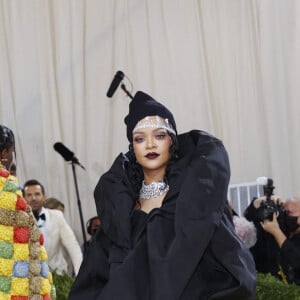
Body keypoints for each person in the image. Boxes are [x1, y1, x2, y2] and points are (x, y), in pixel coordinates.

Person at [69, 91, 256, 299]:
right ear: (133, 147)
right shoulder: (120, 210)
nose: (150, 144)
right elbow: (97, 275)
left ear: (172, 141)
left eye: (159, 135)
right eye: (140, 138)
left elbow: (228, 265)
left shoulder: (197, 201)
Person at [0, 125, 55, 299]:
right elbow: (24, 236)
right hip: (14, 285)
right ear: (4, 154)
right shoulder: (7, 190)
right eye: (11, 151)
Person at [23, 179, 83, 276]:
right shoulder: (17, 221)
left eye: (37, 194)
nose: (33, 198)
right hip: (31, 279)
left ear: (44, 197)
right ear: (23, 199)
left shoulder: (57, 216)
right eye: (29, 195)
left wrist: (80, 274)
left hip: (58, 275)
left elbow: (73, 246)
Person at [245, 195, 300, 284]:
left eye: (289, 212)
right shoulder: (274, 227)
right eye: (283, 210)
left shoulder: (275, 229)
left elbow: (296, 260)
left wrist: (276, 232)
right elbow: (251, 215)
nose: (285, 214)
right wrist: (267, 200)